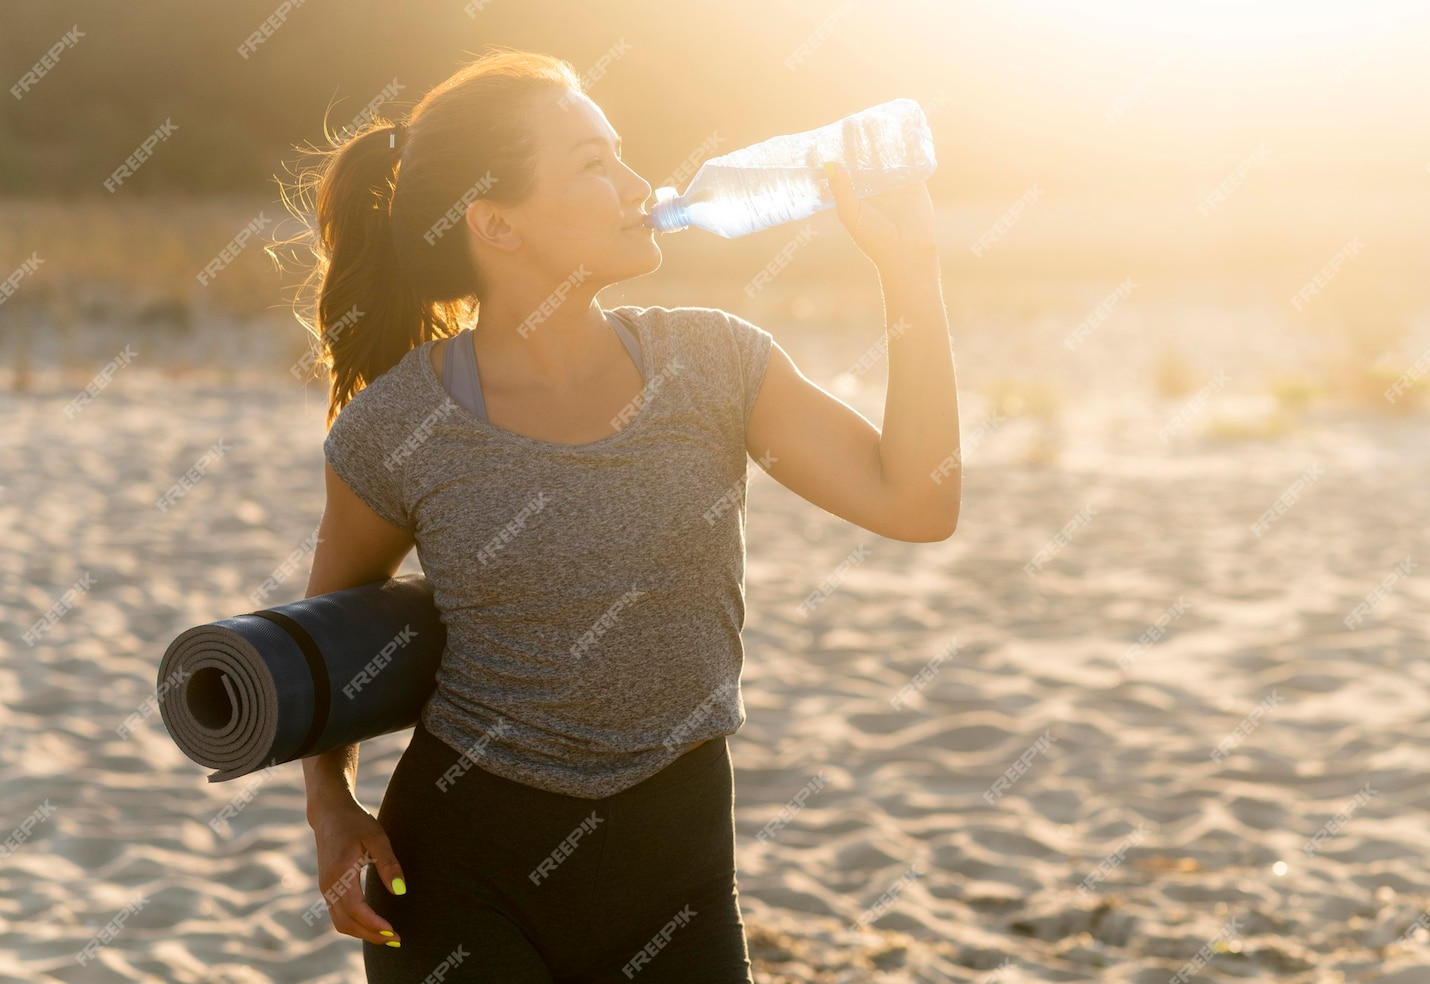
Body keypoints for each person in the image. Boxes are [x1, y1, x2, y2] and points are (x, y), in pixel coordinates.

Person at [287, 43, 958, 983]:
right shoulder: (397, 426)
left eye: (623, 154)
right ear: (497, 225)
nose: (641, 185)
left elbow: (919, 500)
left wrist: (912, 266)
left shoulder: (716, 364)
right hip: (461, 880)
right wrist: (332, 807)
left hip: (677, 877)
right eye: (595, 166)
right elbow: (318, 651)